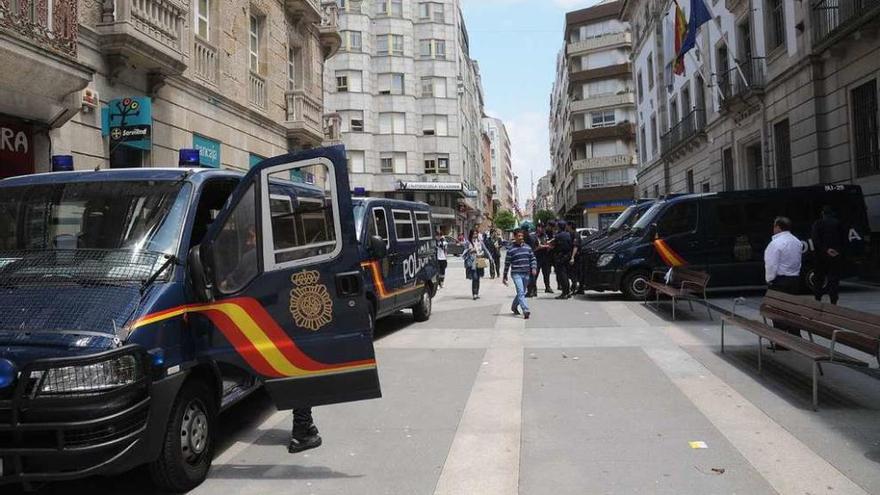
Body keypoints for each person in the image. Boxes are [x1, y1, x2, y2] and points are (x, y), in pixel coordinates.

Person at [765, 216, 804, 344]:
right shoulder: (797, 241)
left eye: (774, 226)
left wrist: (769, 279)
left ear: (778, 227)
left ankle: (781, 340)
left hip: (779, 281)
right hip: (794, 280)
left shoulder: (775, 243)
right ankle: (795, 335)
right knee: (792, 309)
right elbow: (798, 262)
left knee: (777, 311)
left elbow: (771, 265)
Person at [811, 205, 846, 304]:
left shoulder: (817, 223)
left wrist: (826, 250)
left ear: (822, 213)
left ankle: (818, 299)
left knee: (819, 279)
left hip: (820, 256)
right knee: (833, 279)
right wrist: (837, 251)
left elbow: (815, 239)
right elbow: (844, 239)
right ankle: (833, 300)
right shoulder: (838, 223)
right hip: (835, 256)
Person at [503, 229, 538, 319]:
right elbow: (507, 264)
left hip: (526, 273)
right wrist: (504, 276)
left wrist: (533, 267)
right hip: (516, 273)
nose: (521, 238)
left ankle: (514, 306)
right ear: (514, 237)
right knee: (520, 291)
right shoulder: (511, 250)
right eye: (519, 236)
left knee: (522, 292)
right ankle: (525, 310)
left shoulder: (528, 247)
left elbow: (533, 258)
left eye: (522, 236)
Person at [550, 221, 573, 299]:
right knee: (566, 275)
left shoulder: (558, 236)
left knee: (562, 275)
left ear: (559, 227)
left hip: (560, 257)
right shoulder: (568, 234)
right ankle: (568, 292)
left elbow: (553, 245)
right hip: (568, 256)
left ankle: (565, 293)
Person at [464, 229, 488, 300]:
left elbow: (485, 249)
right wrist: (471, 250)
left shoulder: (480, 242)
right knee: (475, 277)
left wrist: (490, 257)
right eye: (474, 234)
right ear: (471, 234)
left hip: (479, 260)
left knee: (478, 278)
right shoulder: (468, 242)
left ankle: (477, 293)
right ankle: (474, 294)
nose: (475, 235)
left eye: (476, 234)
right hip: (472, 262)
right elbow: (464, 252)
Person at [534, 225, 554, 294]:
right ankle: (534, 288)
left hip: (545, 257)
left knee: (546, 273)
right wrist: (546, 246)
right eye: (539, 227)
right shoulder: (534, 236)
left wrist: (550, 246)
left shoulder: (545, 236)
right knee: (535, 273)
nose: (540, 229)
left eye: (542, 227)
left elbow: (548, 242)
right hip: (537, 257)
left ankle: (547, 287)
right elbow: (536, 246)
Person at [567, 223, 582, 295]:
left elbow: (575, 247)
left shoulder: (575, 235)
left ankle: (574, 287)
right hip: (574, 257)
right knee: (574, 273)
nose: (567, 227)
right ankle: (577, 288)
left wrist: (572, 257)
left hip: (576, 257)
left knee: (574, 273)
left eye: (568, 226)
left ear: (570, 226)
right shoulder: (572, 234)